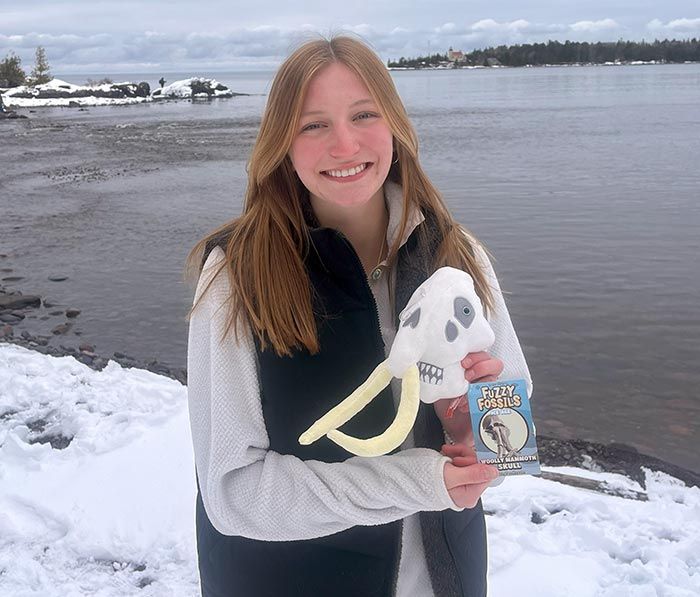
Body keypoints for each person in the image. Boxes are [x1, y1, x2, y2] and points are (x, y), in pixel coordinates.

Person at [185, 35, 532, 597]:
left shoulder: (456, 254)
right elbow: (234, 492)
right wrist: (424, 483)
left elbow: (509, 439)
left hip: (445, 578)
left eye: (364, 114)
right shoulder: (238, 275)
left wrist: (476, 430)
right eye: (312, 124)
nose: (344, 145)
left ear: (394, 123)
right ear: (281, 144)